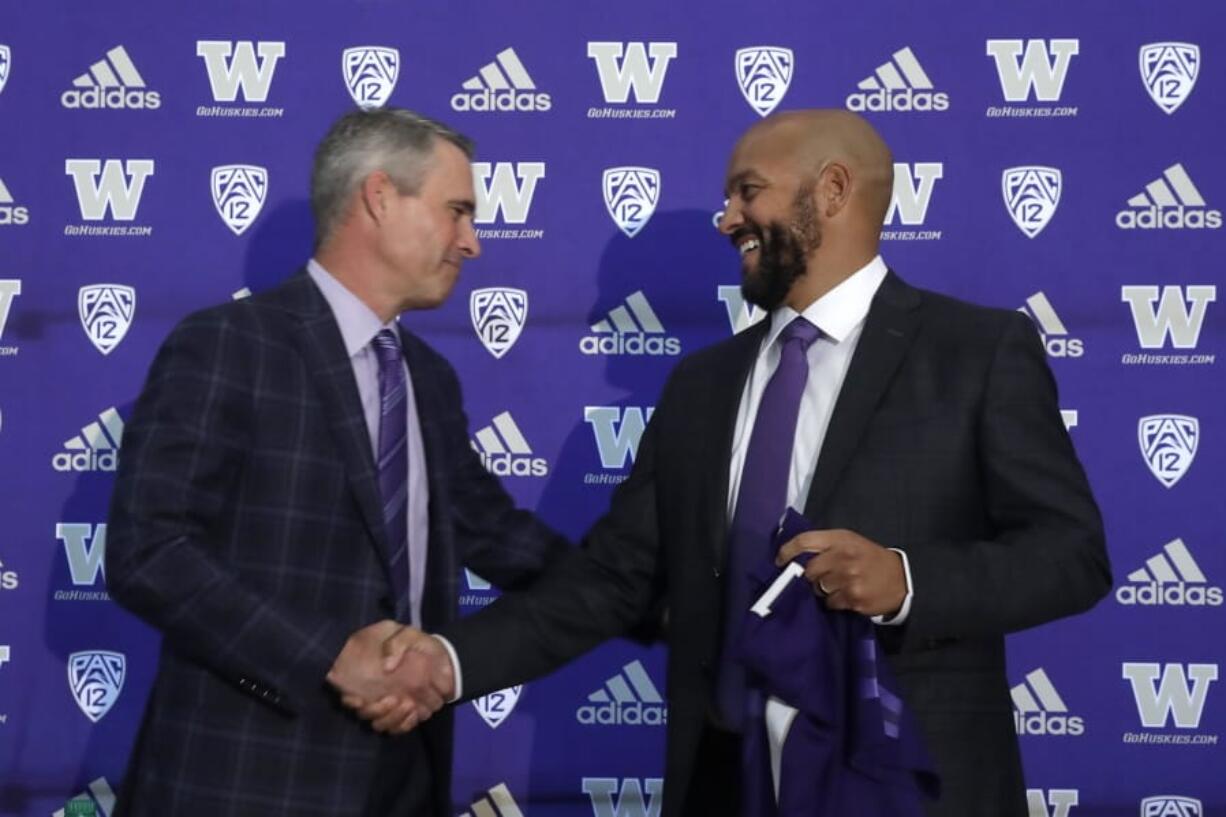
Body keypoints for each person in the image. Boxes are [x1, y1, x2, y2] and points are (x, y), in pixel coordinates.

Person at [367, 109, 1112, 816]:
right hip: (725, 782)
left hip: (906, 783)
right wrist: (446, 662)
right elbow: (610, 579)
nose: (727, 220)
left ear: (834, 189)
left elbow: (1071, 553)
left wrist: (906, 580)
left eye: (747, 192)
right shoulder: (702, 384)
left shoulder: (976, 353)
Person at [105, 107, 569, 817]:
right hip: (246, 782)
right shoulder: (231, 344)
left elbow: (497, 535)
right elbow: (150, 551)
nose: (472, 242)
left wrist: (666, 595)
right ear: (380, 196)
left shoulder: (430, 378)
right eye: (457, 212)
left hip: (403, 780)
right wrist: (328, 654)